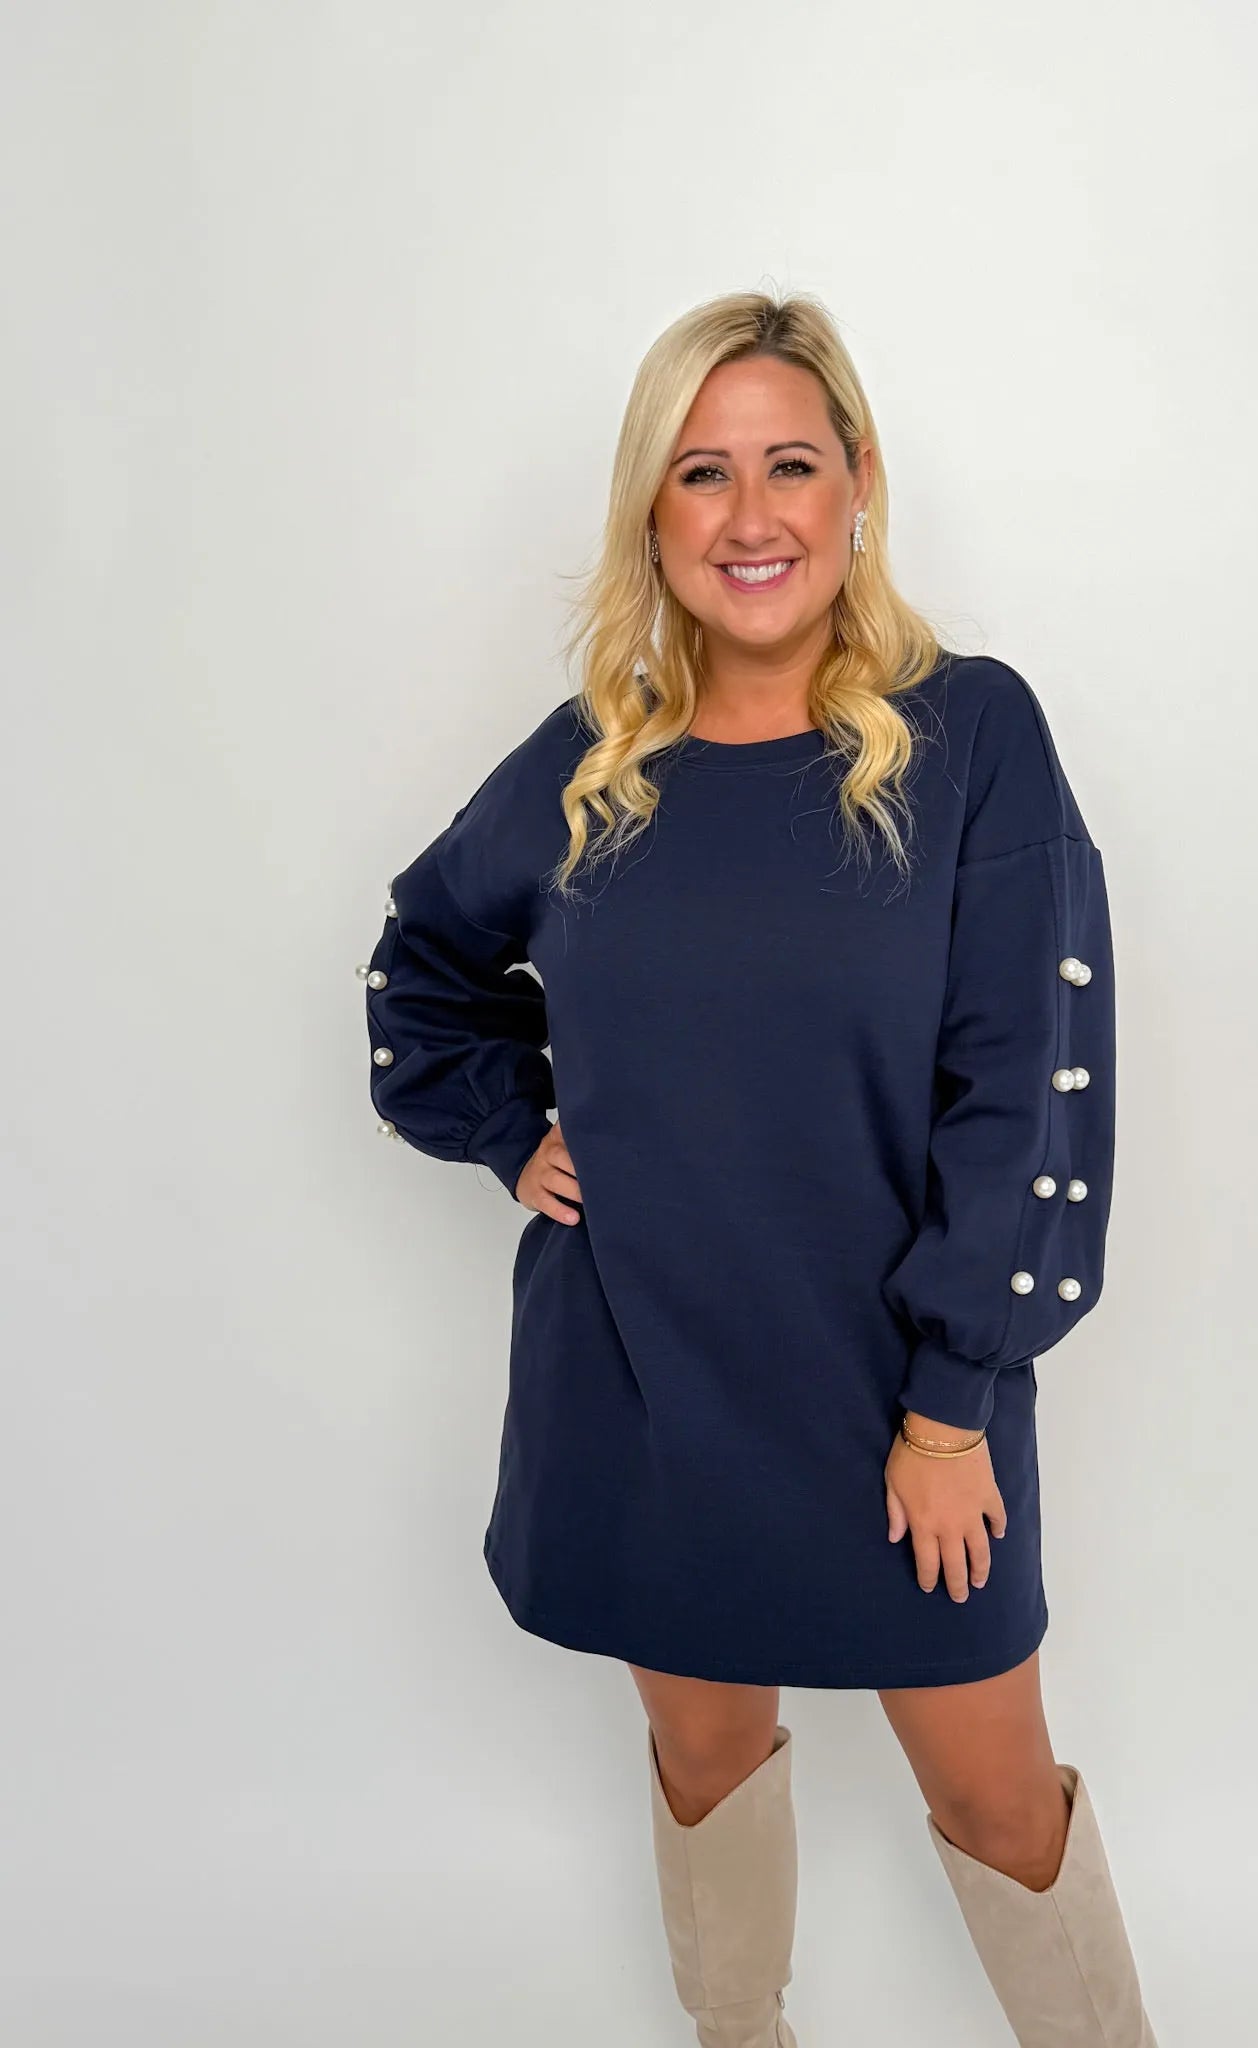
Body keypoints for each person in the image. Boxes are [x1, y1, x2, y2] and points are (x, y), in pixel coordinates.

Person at [360, 289, 1158, 2048]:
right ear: (650, 511)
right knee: (705, 1757)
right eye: (700, 472)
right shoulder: (591, 764)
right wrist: (509, 1129)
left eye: (789, 464)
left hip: (897, 1403)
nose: (750, 515)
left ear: (857, 482)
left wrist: (947, 1410)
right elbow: (420, 970)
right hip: (643, 1382)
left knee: (996, 1799)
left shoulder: (972, 738)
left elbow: (1027, 1089)